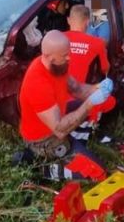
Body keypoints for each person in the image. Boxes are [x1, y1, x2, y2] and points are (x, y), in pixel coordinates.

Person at [18, 30, 112, 181]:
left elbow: (77, 89)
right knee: (98, 173)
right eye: (64, 55)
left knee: (91, 106)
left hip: (56, 118)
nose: (69, 58)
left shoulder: (58, 65)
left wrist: (98, 88)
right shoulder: (37, 83)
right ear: (49, 56)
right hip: (44, 139)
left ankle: (75, 143)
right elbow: (59, 130)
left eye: (68, 53)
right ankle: (41, 168)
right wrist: (89, 103)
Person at [64, 4, 116, 133]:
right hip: (77, 95)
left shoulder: (55, 38)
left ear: (68, 20)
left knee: (97, 2)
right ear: (87, 22)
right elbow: (105, 69)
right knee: (110, 101)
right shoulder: (97, 43)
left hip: (54, 95)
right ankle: (92, 123)